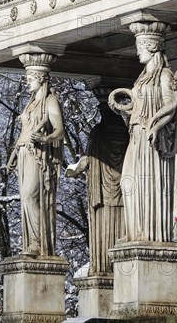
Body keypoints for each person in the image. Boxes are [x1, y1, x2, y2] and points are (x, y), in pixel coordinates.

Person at [109, 22, 177, 243]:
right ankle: (135, 229)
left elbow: (170, 104)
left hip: (149, 137)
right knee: (127, 182)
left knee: (146, 181)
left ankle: (149, 232)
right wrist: (124, 110)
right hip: (136, 135)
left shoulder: (164, 75)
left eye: (141, 46)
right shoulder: (141, 78)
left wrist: (155, 124)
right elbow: (139, 106)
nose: (137, 50)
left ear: (153, 47)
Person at [7, 55, 64, 256]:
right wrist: (14, 154)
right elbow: (25, 131)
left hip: (38, 154)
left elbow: (60, 130)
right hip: (24, 152)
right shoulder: (30, 104)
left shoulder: (50, 101)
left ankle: (39, 243)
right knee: (25, 198)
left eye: (30, 78)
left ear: (41, 78)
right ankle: (31, 242)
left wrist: (45, 138)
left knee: (31, 195)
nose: (27, 81)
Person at [66, 97, 127, 274]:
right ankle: (115, 266)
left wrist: (76, 169)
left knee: (104, 230)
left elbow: (89, 159)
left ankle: (103, 266)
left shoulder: (99, 132)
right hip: (123, 191)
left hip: (103, 193)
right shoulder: (127, 133)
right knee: (121, 226)